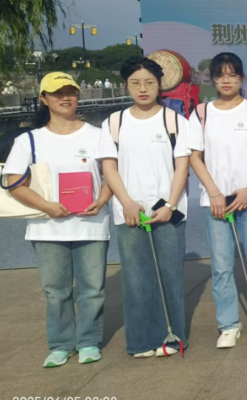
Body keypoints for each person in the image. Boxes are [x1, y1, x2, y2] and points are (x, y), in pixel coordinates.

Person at [2, 72, 112, 367]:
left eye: (70, 92)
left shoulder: (98, 135)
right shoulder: (28, 139)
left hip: (91, 224)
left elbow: (112, 176)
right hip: (47, 227)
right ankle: (61, 344)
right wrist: (48, 207)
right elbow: (14, 183)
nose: (65, 97)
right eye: (57, 93)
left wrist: (102, 200)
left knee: (92, 290)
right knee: (55, 292)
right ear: (43, 99)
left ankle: (88, 341)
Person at [97, 57, 190, 357]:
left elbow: (182, 166)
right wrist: (126, 202)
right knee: (136, 279)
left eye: (149, 82)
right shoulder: (114, 122)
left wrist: (171, 204)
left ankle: (172, 337)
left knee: (170, 276)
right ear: (126, 86)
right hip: (130, 211)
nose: (143, 88)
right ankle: (140, 341)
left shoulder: (174, 120)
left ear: (159, 85)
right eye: (135, 83)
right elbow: (109, 167)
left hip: (168, 211)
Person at [189, 53, 247, 348]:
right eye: (220, 75)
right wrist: (214, 192)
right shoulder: (201, 113)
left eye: (232, 75)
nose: (226, 80)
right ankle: (228, 325)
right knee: (222, 266)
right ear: (213, 79)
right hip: (215, 201)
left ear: (241, 78)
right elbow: (195, 157)